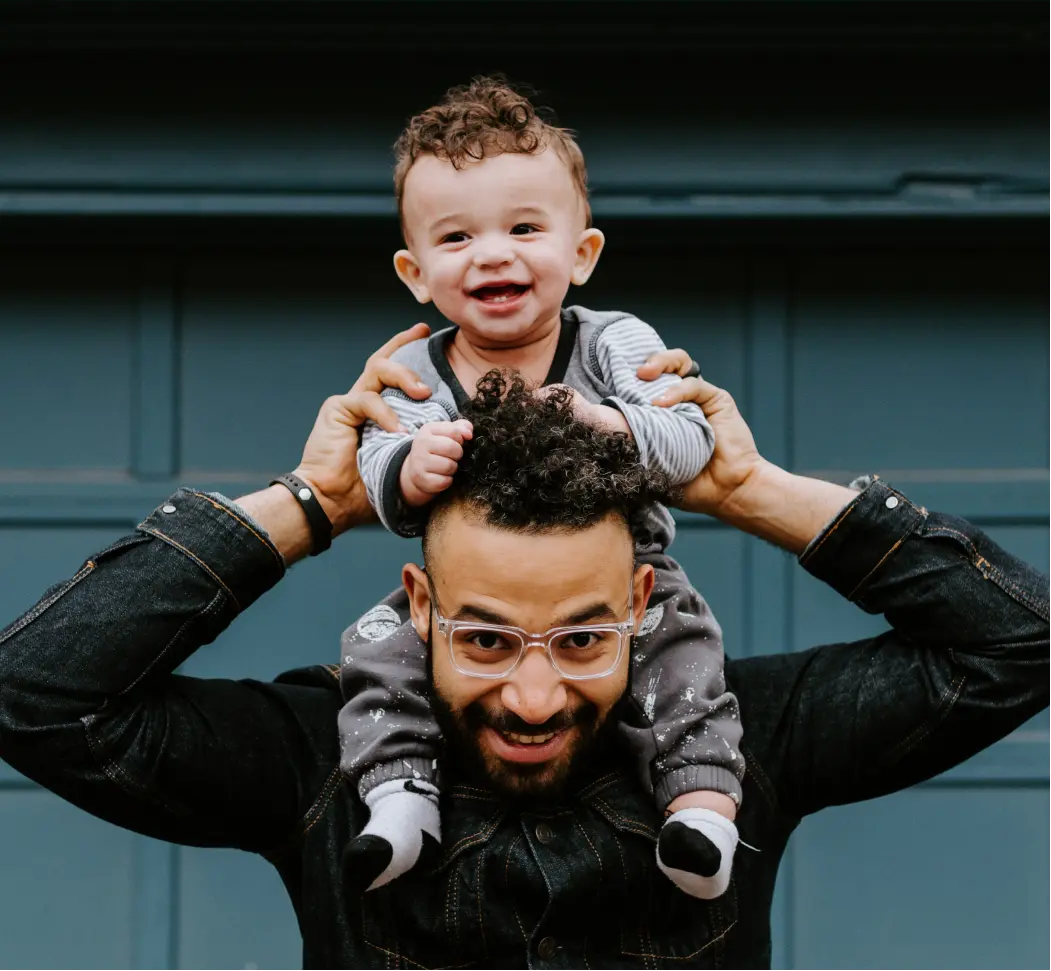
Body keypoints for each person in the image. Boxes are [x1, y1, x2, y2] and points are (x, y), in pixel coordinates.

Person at [0, 327, 1046, 970]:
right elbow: (35, 691)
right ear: (419, 604)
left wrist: (745, 492)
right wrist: (312, 503)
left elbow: (1018, 641)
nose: (535, 696)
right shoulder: (321, 759)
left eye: (584, 636)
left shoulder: (738, 738)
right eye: (488, 639)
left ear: (644, 599)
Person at [342, 76, 741, 898]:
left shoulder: (612, 343)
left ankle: (699, 808)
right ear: (416, 273)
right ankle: (398, 796)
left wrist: (610, 424)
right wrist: (406, 468)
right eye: (456, 239)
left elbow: (688, 438)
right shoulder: (414, 368)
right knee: (377, 648)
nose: (492, 253)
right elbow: (377, 470)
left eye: (524, 228)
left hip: (627, 572)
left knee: (685, 651)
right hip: (468, 593)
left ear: (581, 253)